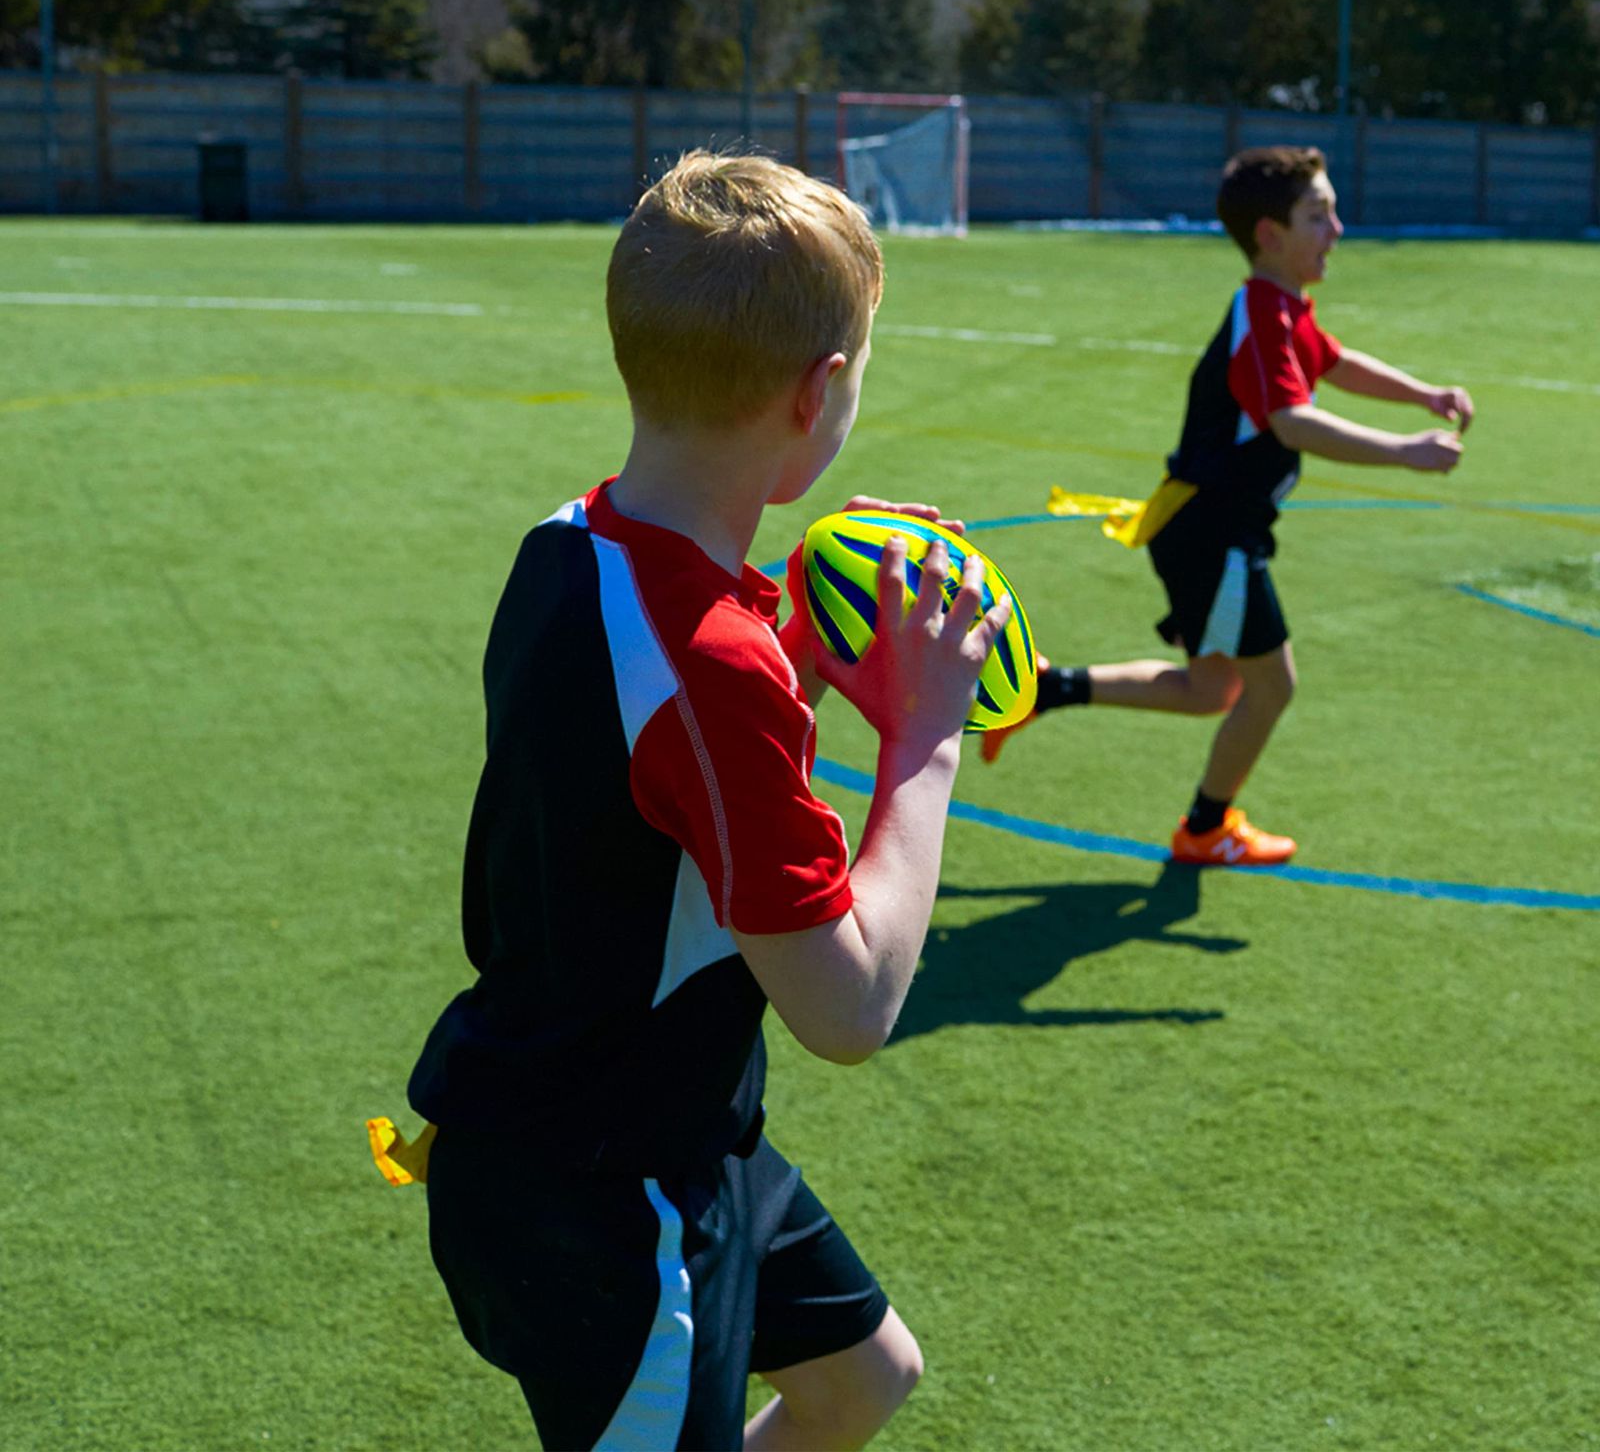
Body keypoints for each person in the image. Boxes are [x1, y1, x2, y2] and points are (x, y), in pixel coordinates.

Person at [404, 150, 1011, 1450]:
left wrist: (806, 644)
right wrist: (924, 738)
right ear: (819, 391)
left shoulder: (569, 542)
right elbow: (849, 1007)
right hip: (605, 1206)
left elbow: (659, 775)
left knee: (862, 1378)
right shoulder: (713, 672)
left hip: (652, 1129)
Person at [983, 145, 1472, 867]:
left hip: (1207, 529)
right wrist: (1405, 450)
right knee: (1271, 688)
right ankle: (1206, 829)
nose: (1337, 230)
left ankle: (1041, 689)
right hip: (1215, 535)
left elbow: (1334, 361)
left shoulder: (1281, 308)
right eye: (1319, 215)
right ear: (1270, 234)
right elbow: (1292, 422)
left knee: (1211, 689)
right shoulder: (1261, 314)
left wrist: (1423, 395)